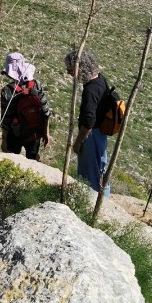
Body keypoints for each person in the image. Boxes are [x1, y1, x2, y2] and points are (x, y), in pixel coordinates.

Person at [65, 48, 111, 195]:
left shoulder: (90, 90)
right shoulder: (100, 80)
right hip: (100, 135)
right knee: (101, 171)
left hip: (91, 137)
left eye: (70, 68)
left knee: (90, 176)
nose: (69, 73)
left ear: (81, 66)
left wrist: (78, 142)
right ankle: (103, 201)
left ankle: (91, 205)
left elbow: (89, 121)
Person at [0, 52, 51, 160]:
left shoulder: (7, 90)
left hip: (15, 134)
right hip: (34, 131)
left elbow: (6, 119)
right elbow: (46, 111)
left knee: (11, 161)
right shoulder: (36, 85)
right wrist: (47, 133)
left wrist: (4, 140)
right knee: (33, 160)